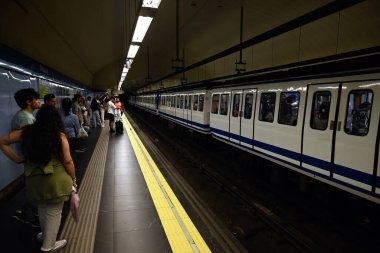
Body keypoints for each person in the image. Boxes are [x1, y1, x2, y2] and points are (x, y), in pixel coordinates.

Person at [0, 106, 77, 252]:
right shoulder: (59, 135)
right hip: (55, 181)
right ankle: (48, 246)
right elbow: (68, 161)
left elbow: (3, 141)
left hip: (34, 181)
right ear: (56, 119)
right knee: (54, 212)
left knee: (42, 208)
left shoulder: (26, 132)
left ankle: (45, 235)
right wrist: (73, 179)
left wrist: (17, 159)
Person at [11, 88, 41, 227]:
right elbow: (32, 140)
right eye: (36, 99)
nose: (38, 101)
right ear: (29, 102)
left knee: (32, 185)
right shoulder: (26, 118)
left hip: (28, 156)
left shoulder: (22, 115)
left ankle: (23, 211)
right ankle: (36, 217)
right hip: (31, 157)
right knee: (35, 186)